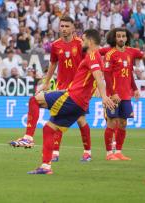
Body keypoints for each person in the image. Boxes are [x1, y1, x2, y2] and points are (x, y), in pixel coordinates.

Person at [27, 29, 115, 174]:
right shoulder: (97, 56)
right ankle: (46, 167)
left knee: (34, 100)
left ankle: (28, 137)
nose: (82, 42)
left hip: (73, 98)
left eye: (84, 40)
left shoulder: (92, 55)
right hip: (79, 104)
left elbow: (98, 76)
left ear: (91, 42)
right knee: (49, 129)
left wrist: (104, 96)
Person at [9, 16, 93, 162]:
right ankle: (54, 152)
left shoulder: (80, 44)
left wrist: (92, 87)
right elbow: (53, 64)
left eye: (67, 26)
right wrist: (47, 81)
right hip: (61, 87)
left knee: (80, 120)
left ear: (73, 28)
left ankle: (87, 151)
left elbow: (91, 64)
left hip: (77, 90)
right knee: (55, 118)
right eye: (62, 26)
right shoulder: (56, 45)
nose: (64, 29)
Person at [101, 28, 145, 161]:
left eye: (123, 36)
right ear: (114, 38)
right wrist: (112, 93)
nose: (121, 38)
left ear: (127, 38)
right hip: (113, 95)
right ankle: (109, 154)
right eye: (118, 36)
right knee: (112, 122)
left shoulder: (131, 52)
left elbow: (144, 59)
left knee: (123, 123)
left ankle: (119, 151)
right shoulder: (110, 54)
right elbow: (107, 76)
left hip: (126, 95)